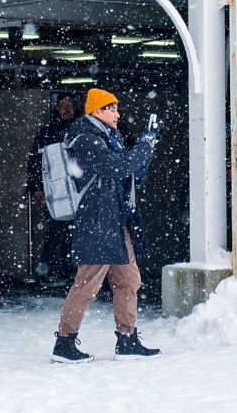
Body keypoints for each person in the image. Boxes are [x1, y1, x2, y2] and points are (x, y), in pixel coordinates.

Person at [52, 88, 161, 364]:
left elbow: (132, 173)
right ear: (96, 111)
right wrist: (143, 146)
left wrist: (147, 148)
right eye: (111, 108)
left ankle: (127, 339)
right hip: (98, 223)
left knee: (128, 280)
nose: (117, 114)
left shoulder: (108, 137)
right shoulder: (86, 138)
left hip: (115, 222)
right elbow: (117, 166)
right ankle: (64, 342)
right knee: (87, 284)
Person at [26, 94, 78, 281]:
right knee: (54, 234)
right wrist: (36, 188)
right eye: (63, 105)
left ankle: (67, 272)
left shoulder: (79, 131)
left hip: (76, 191)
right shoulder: (46, 133)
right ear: (56, 108)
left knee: (72, 235)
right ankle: (47, 274)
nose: (66, 109)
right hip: (54, 192)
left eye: (70, 105)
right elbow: (35, 162)